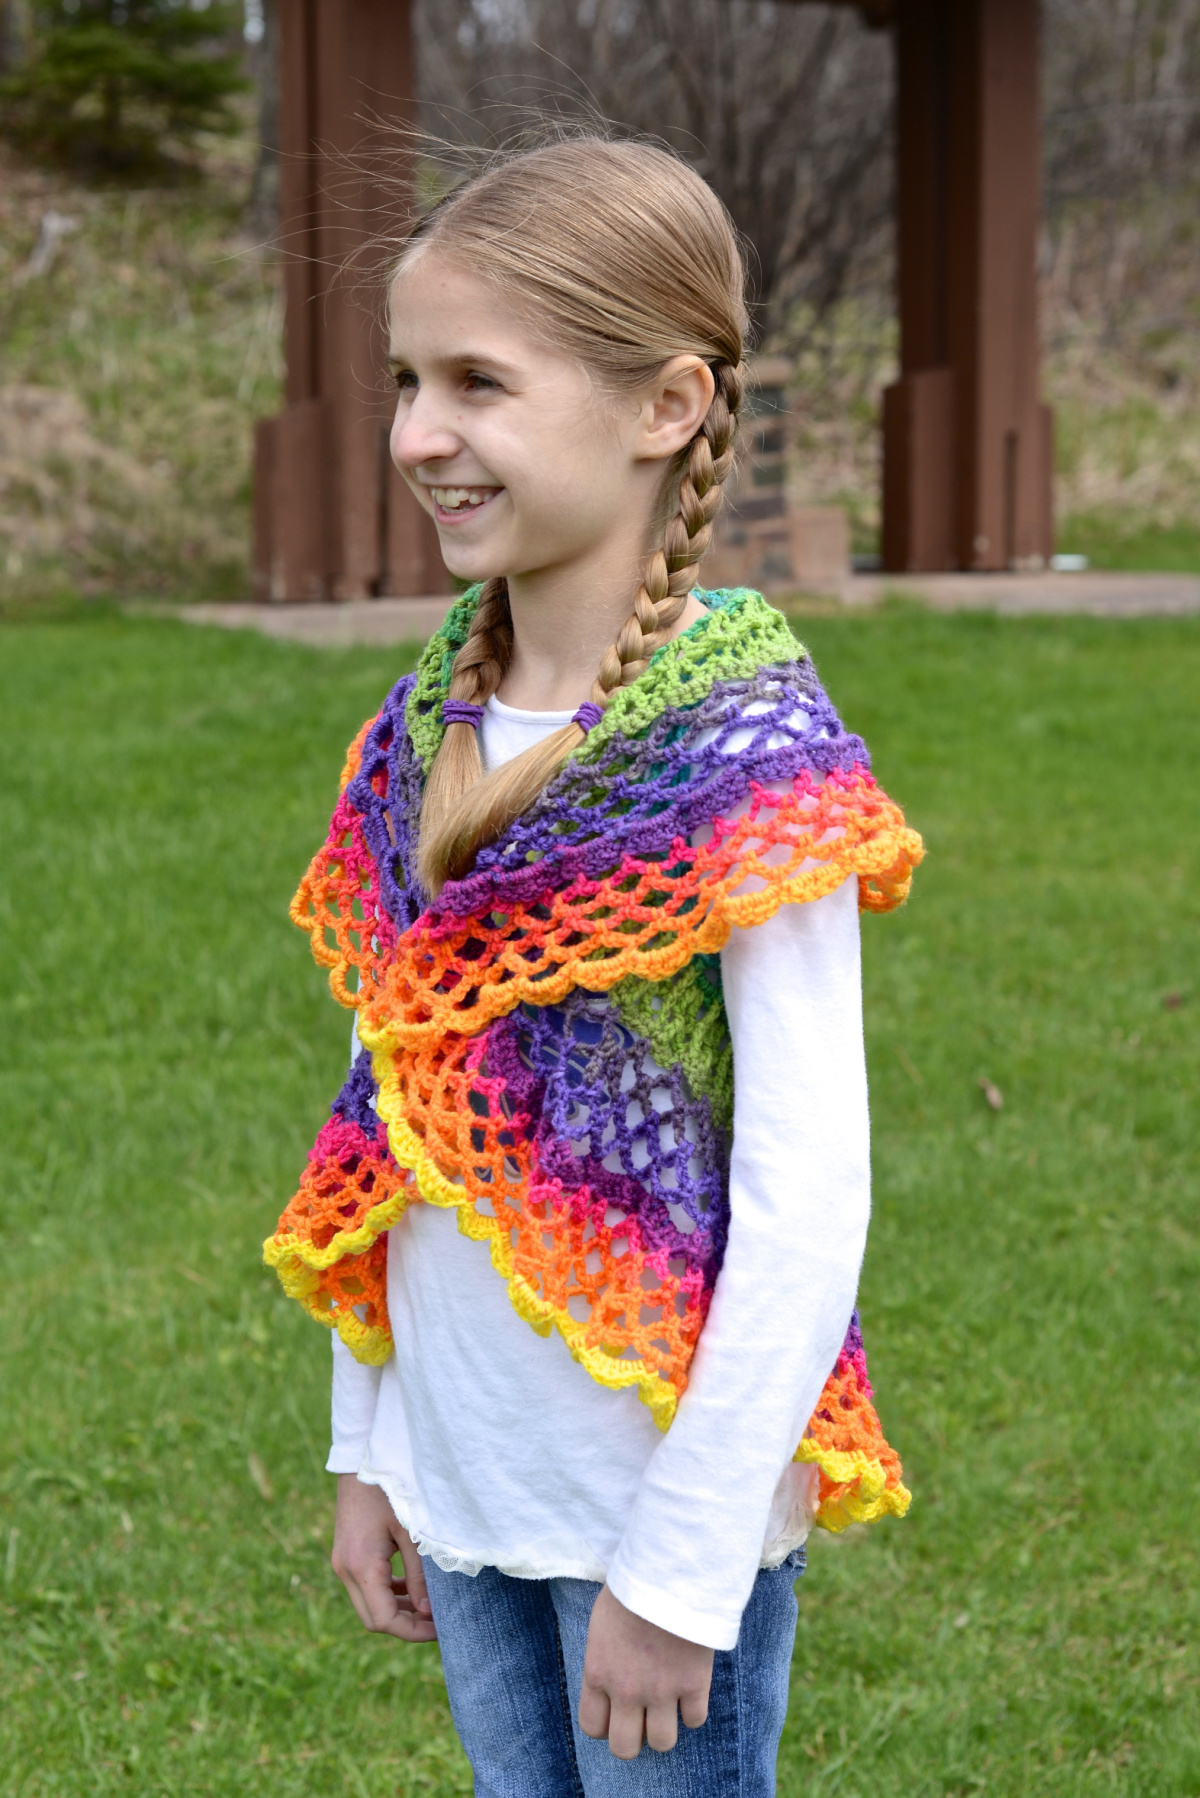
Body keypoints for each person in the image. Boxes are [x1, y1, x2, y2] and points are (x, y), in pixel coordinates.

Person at [265, 134, 923, 1797]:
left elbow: (807, 1189)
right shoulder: (428, 726)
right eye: (409, 380)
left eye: (480, 382)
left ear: (665, 403)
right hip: (469, 1483)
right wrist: (373, 1448)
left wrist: (686, 1565)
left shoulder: (735, 743)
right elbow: (392, 1106)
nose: (419, 434)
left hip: (656, 1508)